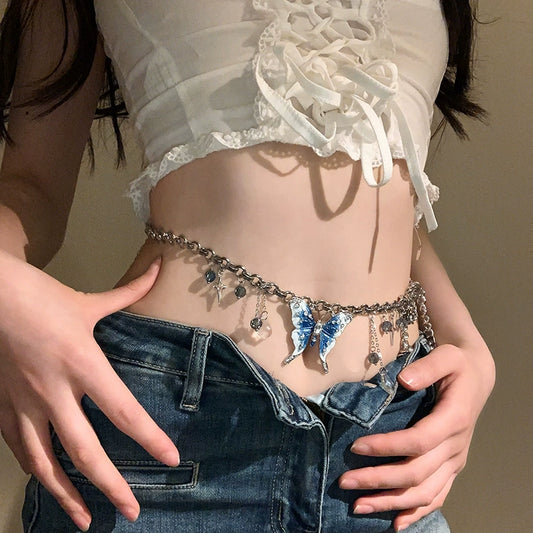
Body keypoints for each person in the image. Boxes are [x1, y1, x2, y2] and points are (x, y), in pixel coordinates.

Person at [0, 1, 495, 532]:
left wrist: (464, 338)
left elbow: (396, 202)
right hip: (168, 433)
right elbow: (31, 187)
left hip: (385, 443)